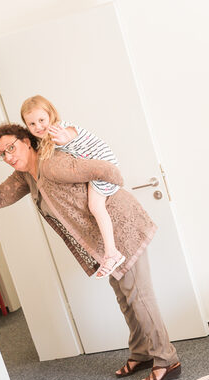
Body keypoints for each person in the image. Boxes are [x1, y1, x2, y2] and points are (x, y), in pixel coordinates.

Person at [0, 123, 181, 380]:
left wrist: (103, 196)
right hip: (104, 244)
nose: (9, 156)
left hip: (121, 229)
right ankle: (142, 353)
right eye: (3, 154)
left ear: (27, 141)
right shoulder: (26, 175)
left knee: (139, 297)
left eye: (12, 147)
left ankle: (167, 360)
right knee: (125, 298)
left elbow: (106, 169)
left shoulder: (52, 163)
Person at [21, 95, 124, 279]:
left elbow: (70, 141)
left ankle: (112, 252)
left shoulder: (61, 131)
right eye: (32, 124)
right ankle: (110, 252)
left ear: (51, 115)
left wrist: (64, 140)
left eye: (42, 120)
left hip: (104, 166)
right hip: (97, 168)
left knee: (95, 206)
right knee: (95, 206)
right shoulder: (48, 138)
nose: (38, 127)